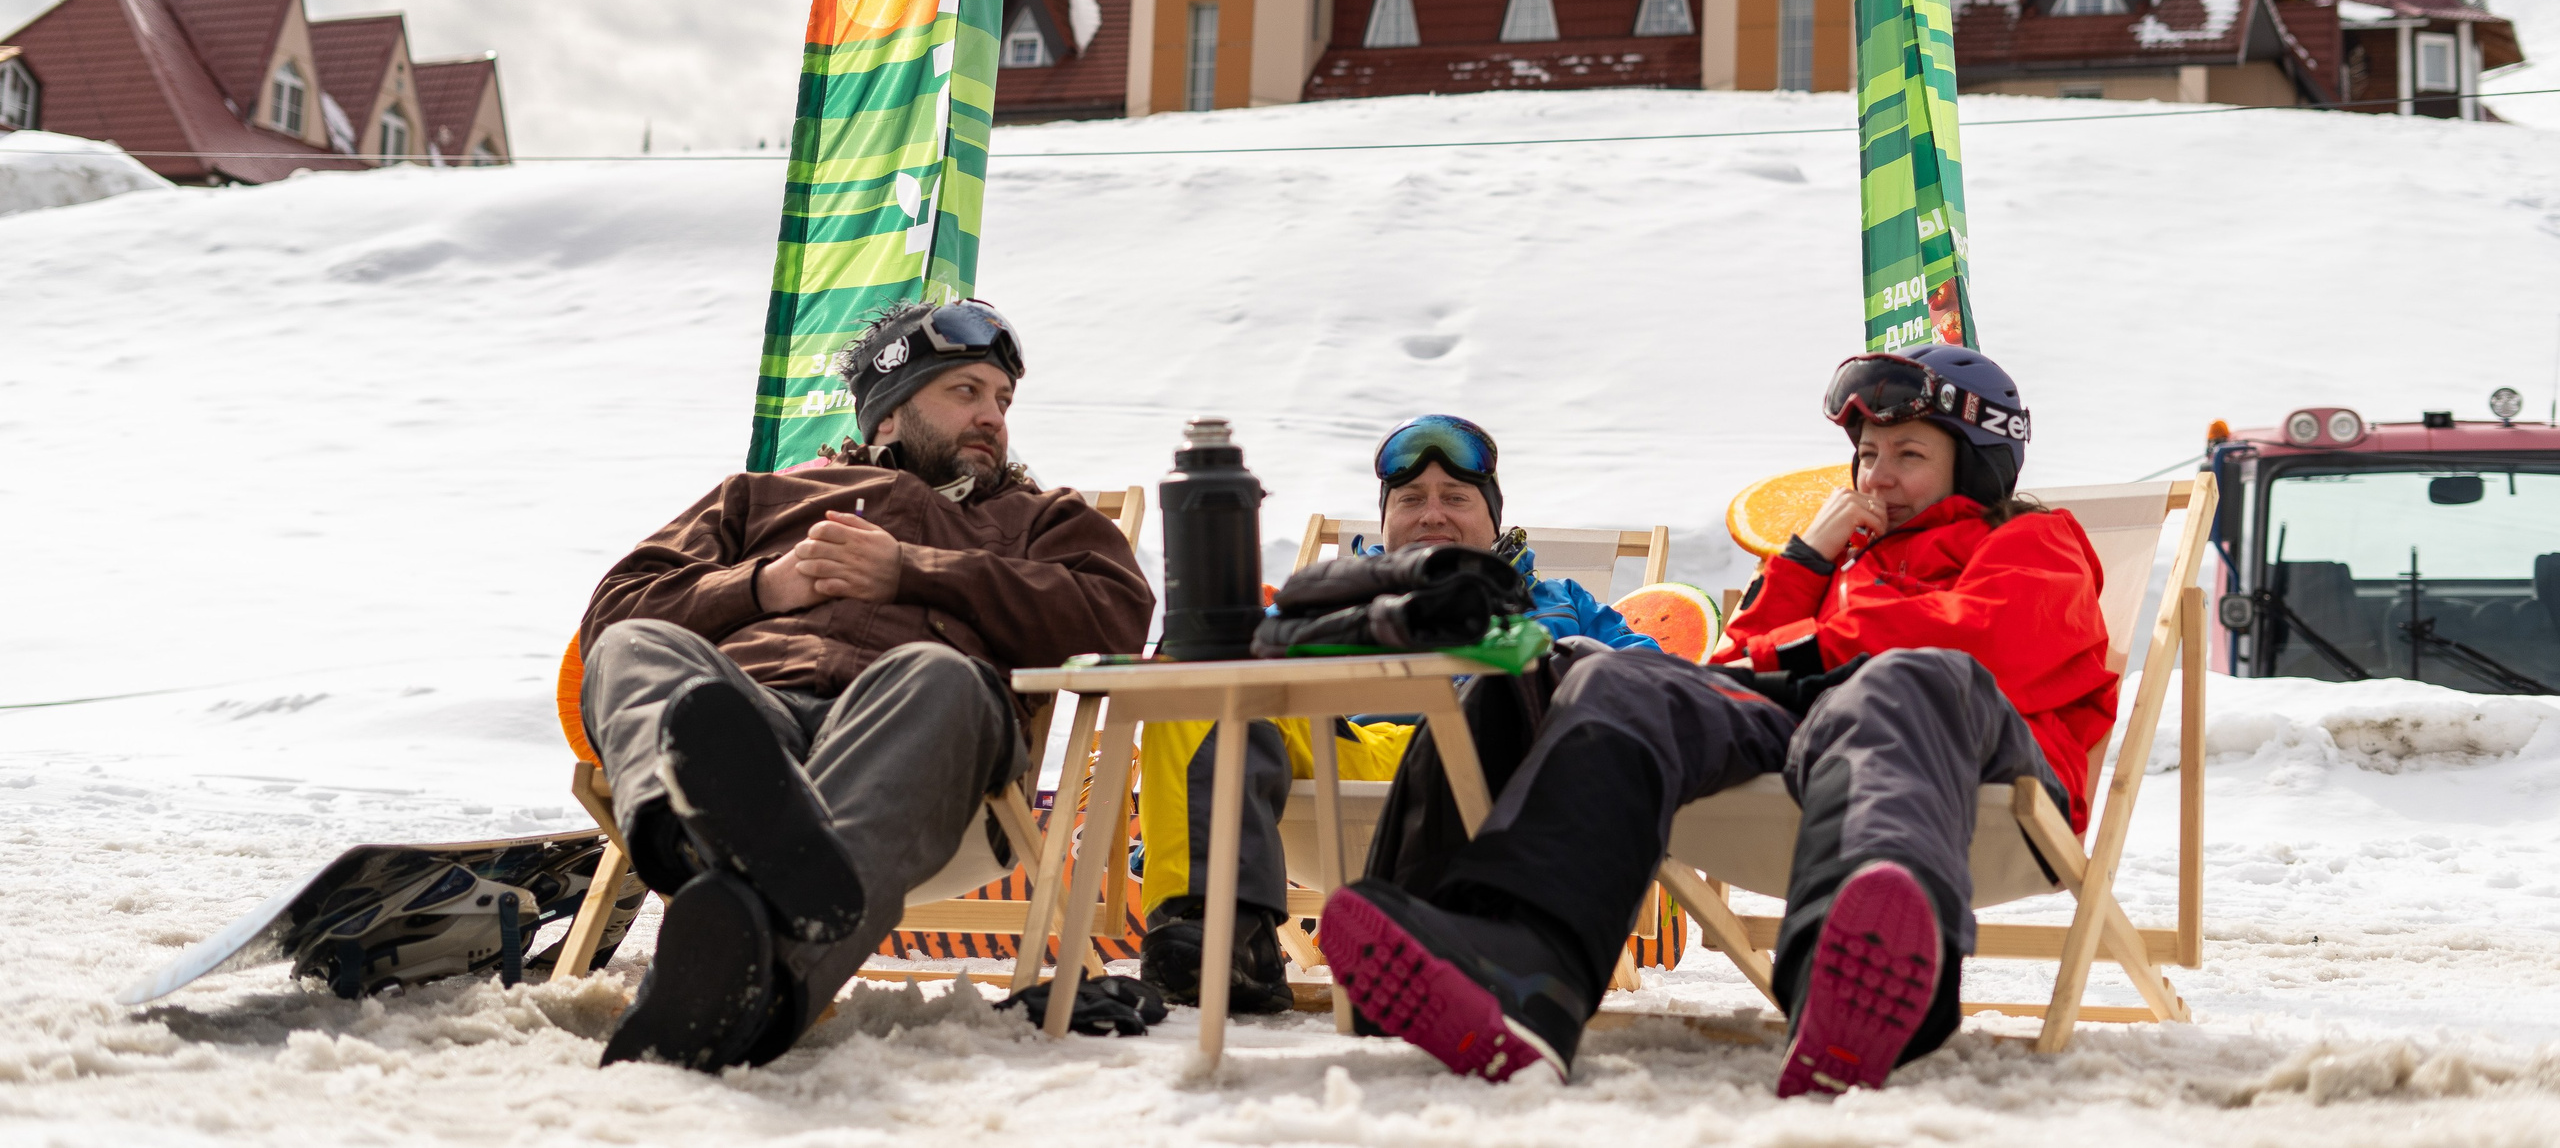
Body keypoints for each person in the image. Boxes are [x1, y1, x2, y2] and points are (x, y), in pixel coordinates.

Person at [1318, 346, 2116, 1097]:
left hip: (1973, 757)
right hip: (1819, 743)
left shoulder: (2035, 539)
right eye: (1868, 455)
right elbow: (1735, 660)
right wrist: (1806, 557)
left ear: (1974, 465)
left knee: (1904, 674)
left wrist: (1808, 646)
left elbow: (1982, 636)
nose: (1878, 476)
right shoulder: (1847, 562)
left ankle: (1853, 988)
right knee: (1615, 678)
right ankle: (1528, 970)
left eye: (1908, 454)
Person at [577, 299, 1152, 1071]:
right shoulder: (761, 497)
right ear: (888, 414)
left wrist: (914, 571)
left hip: (912, 739)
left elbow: (1113, 619)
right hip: (753, 720)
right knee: (636, 644)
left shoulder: (1039, 519)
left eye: (1003, 400)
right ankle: (693, 847)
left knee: (937, 674)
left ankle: (750, 951)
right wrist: (762, 587)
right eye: (966, 392)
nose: (993, 417)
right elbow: (614, 608)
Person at [1134, 414, 1658, 1013]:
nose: (1432, 514)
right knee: (1201, 669)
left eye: (1456, 498)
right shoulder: (1326, 599)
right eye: (1411, 499)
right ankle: (1220, 932)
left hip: (1504, 780)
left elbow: (1653, 684)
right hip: (1348, 772)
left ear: (1494, 519)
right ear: (1385, 519)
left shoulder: (1560, 604)